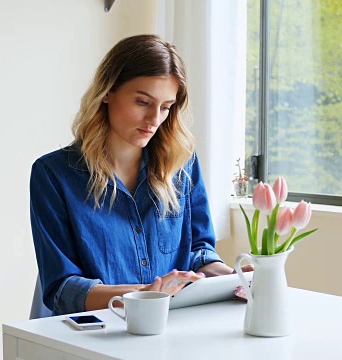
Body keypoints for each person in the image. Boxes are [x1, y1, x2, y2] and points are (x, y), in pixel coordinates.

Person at [29, 34, 249, 316]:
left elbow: (198, 250)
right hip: (94, 335)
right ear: (108, 92)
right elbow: (62, 289)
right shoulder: (53, 175)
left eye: (167, 107)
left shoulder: (182, 165)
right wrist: (142, 296)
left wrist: (234, 278)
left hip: (168, 329)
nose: (155, 119)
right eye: (143, 102)